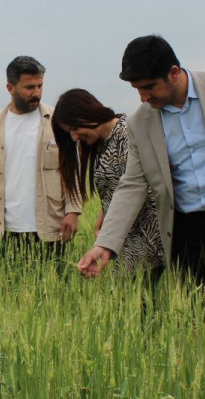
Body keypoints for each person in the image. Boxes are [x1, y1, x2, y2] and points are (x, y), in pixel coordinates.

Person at [76, 35, 205, 297]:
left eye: (149, 87)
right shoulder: (140, 123)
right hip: (186, 232)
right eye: (137, 89)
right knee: (195, 322)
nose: (143, 97)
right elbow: (132, 184)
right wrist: (105, 245)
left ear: (173, 73)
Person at [0, 56, 81, 260]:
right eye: (29, 87)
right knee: (10, 289)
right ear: (10, 88)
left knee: (53, 288)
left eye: (40, 86)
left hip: (51, 226)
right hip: (8, 228)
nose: (36, 93)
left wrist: (73, 211)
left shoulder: (58, 122)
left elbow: (72, 169)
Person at [52, 88, 163, 274]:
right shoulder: (99, 144)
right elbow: (116, 188)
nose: (74, 137)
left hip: (146, 236)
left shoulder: (126, 134)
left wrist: (110, 229)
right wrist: (104, 218)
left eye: (74, 129)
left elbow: (140, 189)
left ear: (85, 114)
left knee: (128, 298)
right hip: (124, 236)